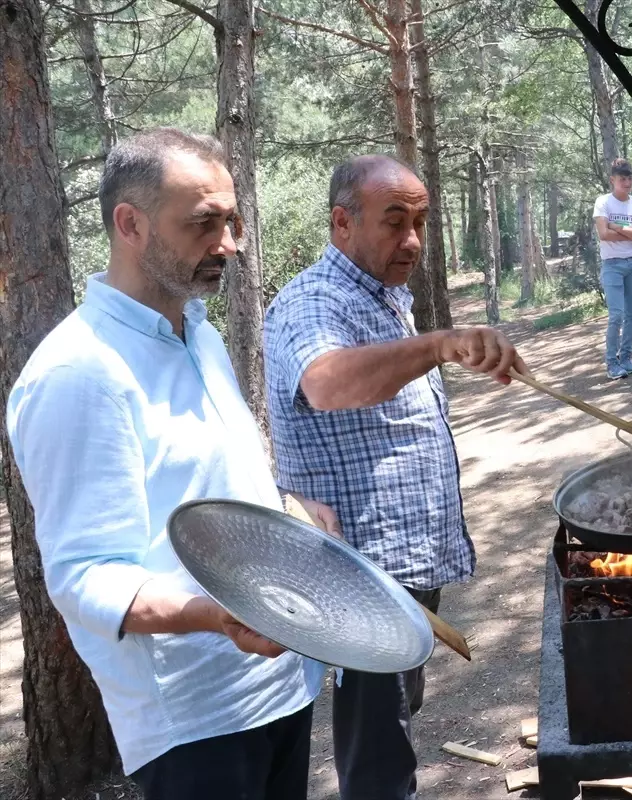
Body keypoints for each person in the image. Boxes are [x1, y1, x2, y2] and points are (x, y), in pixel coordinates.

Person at [5, 128, 339, 800]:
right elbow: (83, 577)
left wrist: (289, 517)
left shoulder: (200, 334)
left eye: (232, 220)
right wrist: (220, 615)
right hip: (195, 723)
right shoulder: (79, 373)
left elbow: (202, 490)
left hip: (278, 685)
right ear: (129, 224)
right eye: (204, 224)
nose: (230, 244)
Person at [263, 154, 527, 800]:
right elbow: (325, 382)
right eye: (394, 222)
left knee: (392, 724)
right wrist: (438, 345)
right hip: (361, 570)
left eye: (420, 222)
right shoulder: (314, 301)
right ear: (341, 223)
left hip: (402, 564)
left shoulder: (382, 297)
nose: (411, 239)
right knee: (379, 757)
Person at [593, 157, 632, 380]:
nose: (626, 183)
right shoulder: (603, 202)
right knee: (615, 315)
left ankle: (626, 357)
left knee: (631, 315)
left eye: (629, 178)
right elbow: (603, 234)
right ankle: (612, 362)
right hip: (612, 264)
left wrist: (616, 226)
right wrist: (630, 231)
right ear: (612, 180)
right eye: (622, 179)